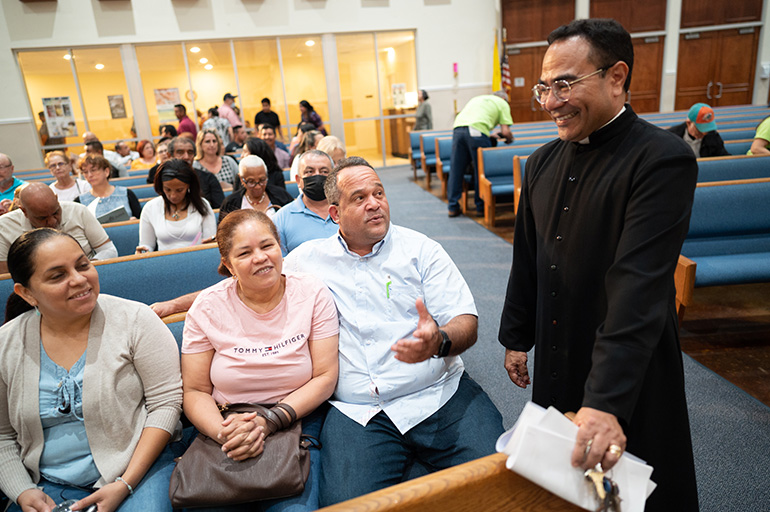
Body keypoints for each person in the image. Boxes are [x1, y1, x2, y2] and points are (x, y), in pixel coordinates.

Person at [498, 19, 698, 511]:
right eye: (545, 87)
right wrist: (516, 338)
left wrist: (606, 402)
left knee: (637, 488)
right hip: (557, 351)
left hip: (628, 365)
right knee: (563, 485)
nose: (550, 102)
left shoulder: (660, 159)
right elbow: (529, 257)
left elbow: (639, 286)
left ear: (616, 76)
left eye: (565, 84)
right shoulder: (540, 162)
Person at [283, 157, 504, 506]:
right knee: (344, 506)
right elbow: (249, 285)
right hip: (360, 411)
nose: (374, 203)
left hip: (437, 394)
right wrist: (177, 306)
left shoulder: (421, 250)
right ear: (336, 214)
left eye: (379, 193)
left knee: (502, 483)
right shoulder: (307, 261)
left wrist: (439, 342)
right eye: (359, 198)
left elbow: (466, 321)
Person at [0, 228, 183, 512]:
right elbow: (2, 435)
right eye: (58, 275)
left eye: (83, 265)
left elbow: (166, 404)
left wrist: (125, 483)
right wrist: (22, 491)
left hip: (137, 468)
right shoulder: (6, 343)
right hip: (44, 484)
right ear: (27, 293)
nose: (79, 279)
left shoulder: (135, 320)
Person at [181, 209, 338, 512]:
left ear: (280, 247)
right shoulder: (208, 306)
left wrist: (270, 421)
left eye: (267, 246)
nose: (261, 258)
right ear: (227, 264)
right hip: (227, 425)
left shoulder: (311, 292)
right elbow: (195, 391)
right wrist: (225, 433)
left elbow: (325, 376)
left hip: (297, 421)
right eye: (245, 252)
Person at [0, 183, 118, 273]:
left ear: (57, 199)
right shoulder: (4, 227)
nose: (52, 221)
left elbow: (108, 250)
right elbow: (6, 277)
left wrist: (84, 267)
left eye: (56, 212)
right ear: (24, 212)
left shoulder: (78, 210)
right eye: (42, 218)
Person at [447, 91, 514, 217]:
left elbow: (470, 124)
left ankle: (452, 206)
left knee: (456, 169)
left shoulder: (478, 98)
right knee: (481, 170)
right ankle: (481, 206)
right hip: (477, 132)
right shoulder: (502, 103)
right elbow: (505, 132)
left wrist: (487, 135)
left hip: (458, 129)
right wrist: (510, 139)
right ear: (504, 98)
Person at [137, 159, 216, 253]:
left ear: (188, 186)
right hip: (163, 262)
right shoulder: (150, 208)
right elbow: (146, 245)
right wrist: (142, 252)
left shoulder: (203, 205)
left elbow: (209, 242)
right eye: (168, 189)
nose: (173, 196)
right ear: (161, 186)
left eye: (179, 190)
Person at [272, 150, 337, 256]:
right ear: (298, 180)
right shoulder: (280, 219)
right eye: (309, 172)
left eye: (324, 172)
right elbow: (280, 264)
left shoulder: (347, 211)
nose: (317, 176)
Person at [146, 136, 224, 209]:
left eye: (190, 152)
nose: (186, 157)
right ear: (169, 155)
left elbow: (219, 207)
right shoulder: (160, 177)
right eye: (180, 152)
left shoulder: (208, 178)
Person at [218, 155, 293, 224]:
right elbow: (224, 233)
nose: (258, 187)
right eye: (251, 182)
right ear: (241, 179)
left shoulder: (281, 196)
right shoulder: (230, 203)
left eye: (262, 180)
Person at [79, 155, 142, 220]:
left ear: (106, 171)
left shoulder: (127, 194)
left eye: (93, 170)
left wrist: (135, 221)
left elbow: (140, 219)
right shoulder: (80, 201)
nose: (89, 175)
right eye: (85, 172)